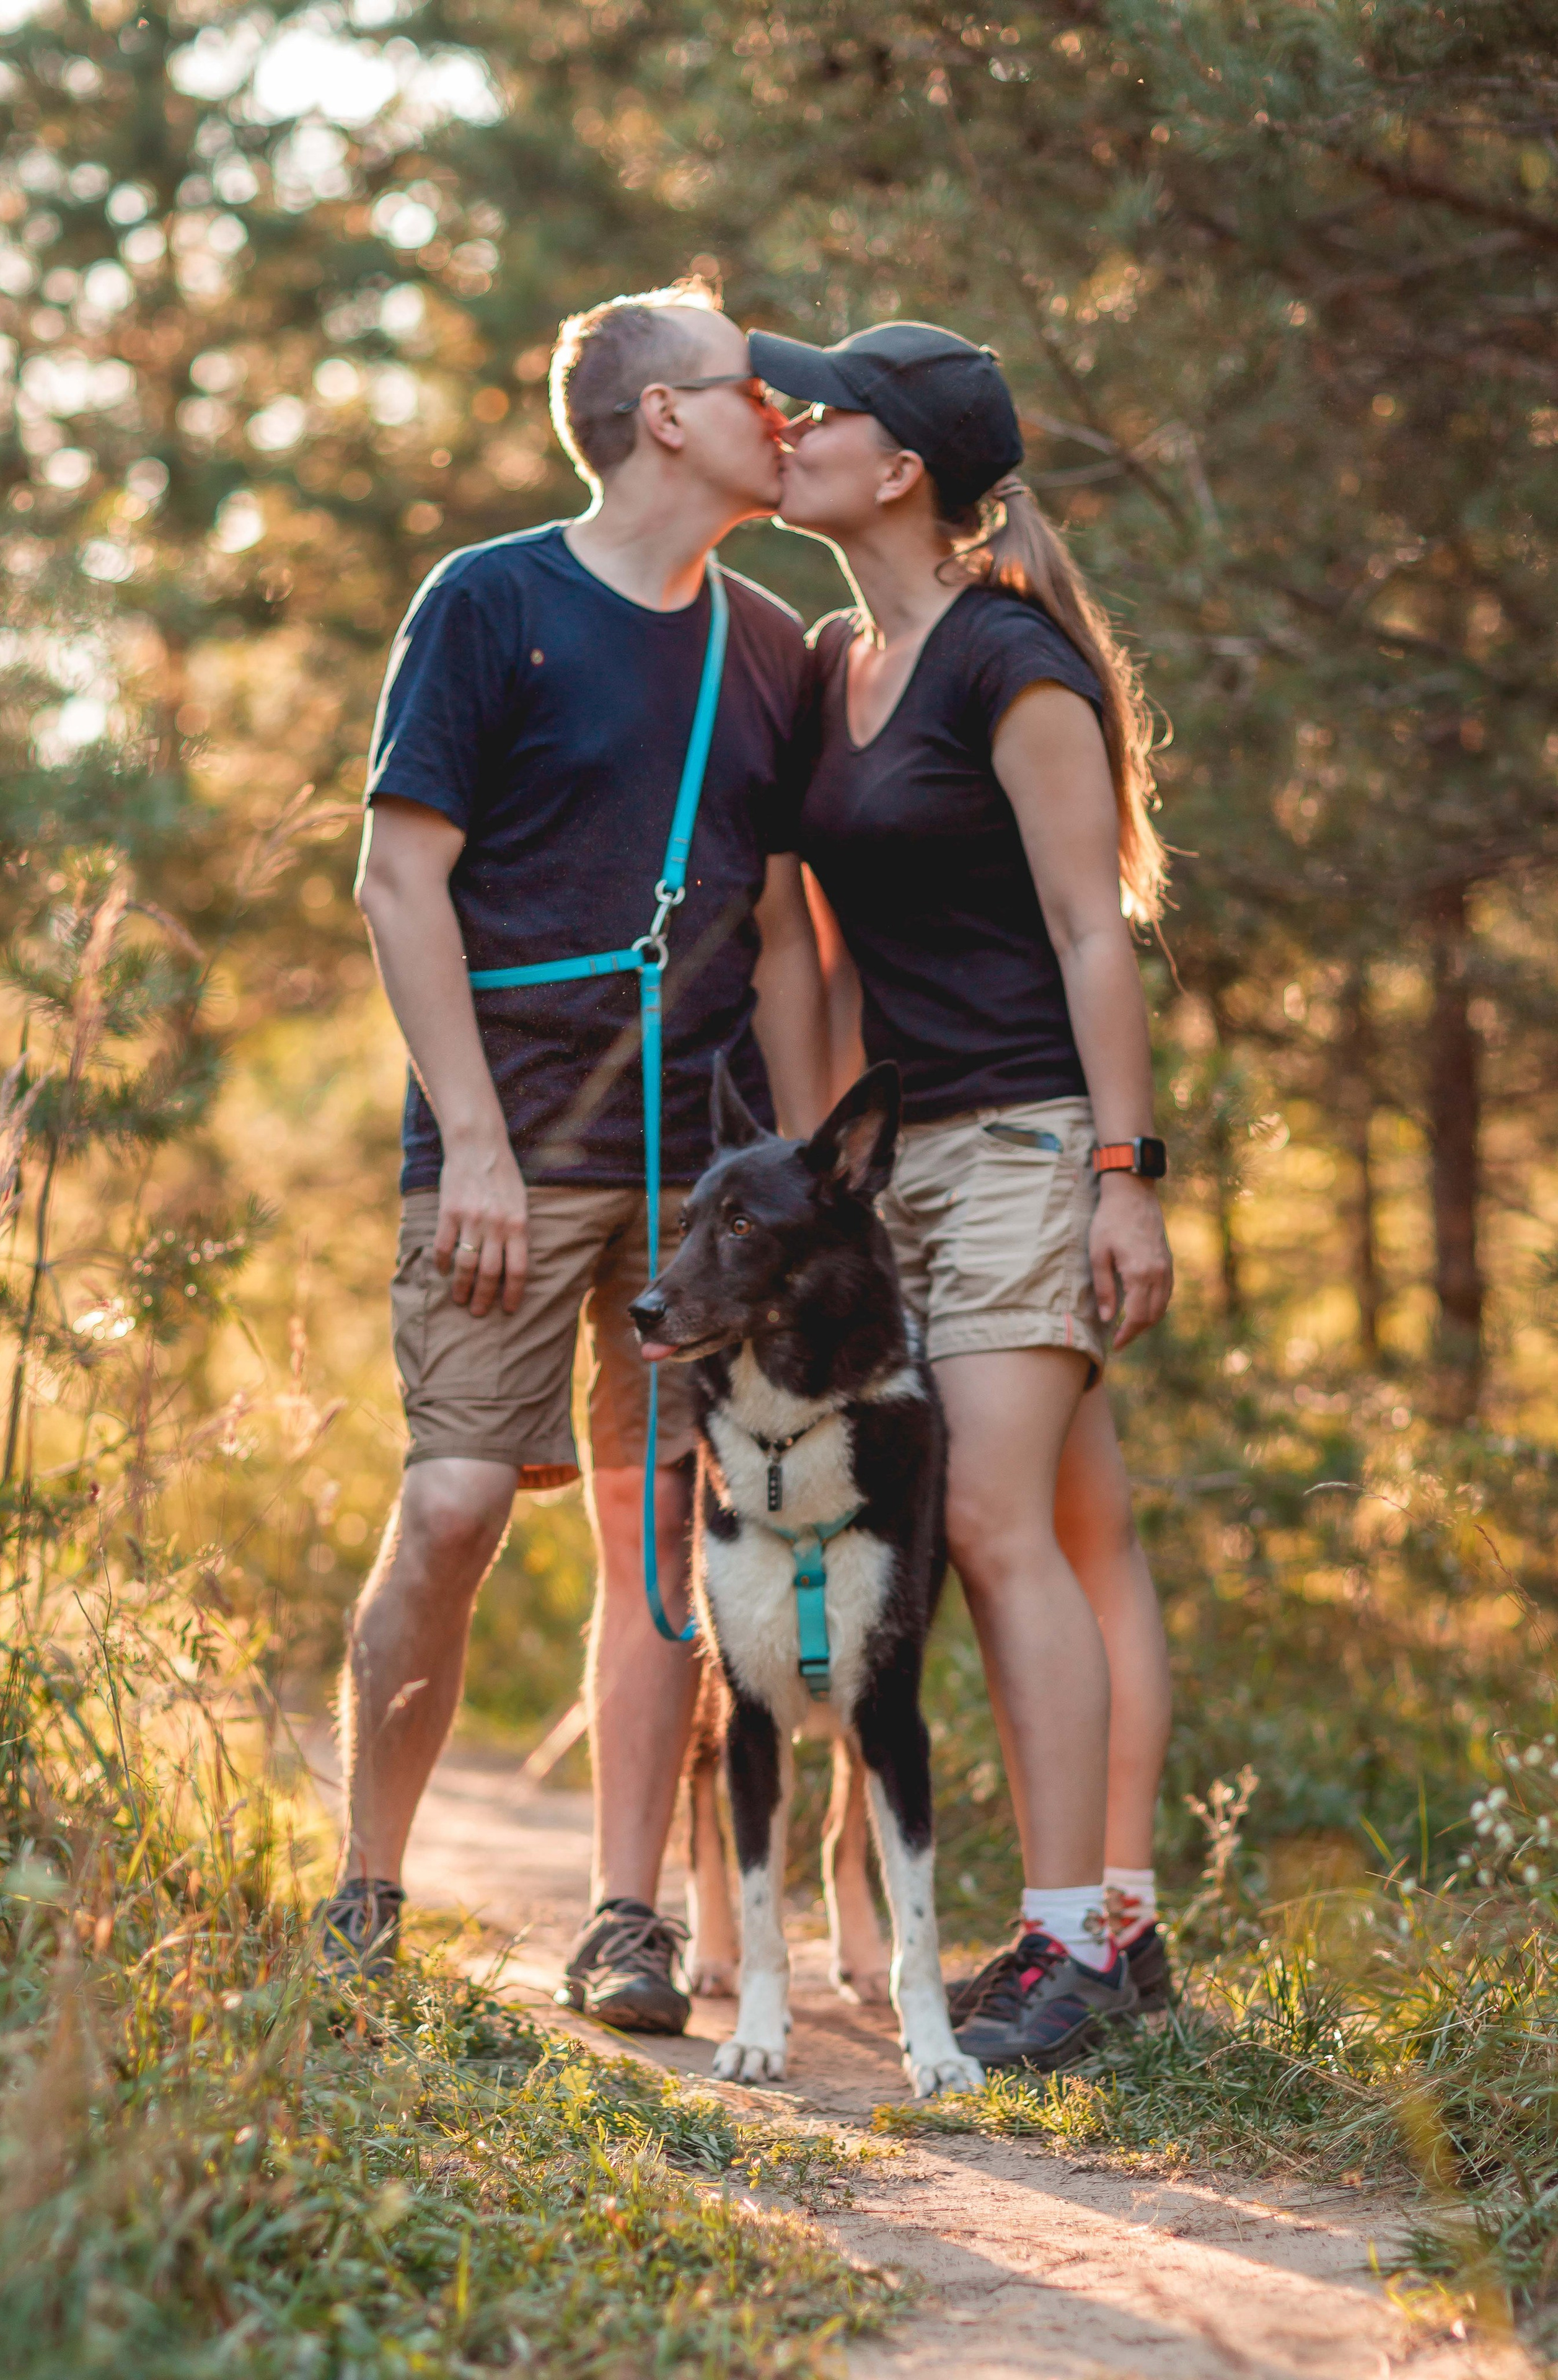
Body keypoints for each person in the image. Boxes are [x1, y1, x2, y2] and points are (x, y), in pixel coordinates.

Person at [324, 281, 829, 2033]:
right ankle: (368, 1892)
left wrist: (814, 1181)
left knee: (663, 1539)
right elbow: (401, 881)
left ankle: (628, 1925)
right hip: (509, 1141)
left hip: (706, 1170)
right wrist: (467, 1136)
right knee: (459, 1500)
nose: (786, 412)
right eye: (751, 388)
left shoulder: (771, 647)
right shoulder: (487, 602)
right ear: (663, 418)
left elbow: (778, 938)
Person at [753, 319, 1174, 2069]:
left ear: (900, 464)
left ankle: (1068, 1943)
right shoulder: (845, 655)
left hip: (1025, 1142)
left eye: (818, 408)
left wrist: (1124, 1175)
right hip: (907, 1160)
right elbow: (828, 954)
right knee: (1078, 1536)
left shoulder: (1014, 663)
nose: (786, 425)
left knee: (997, 1533)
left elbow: (1097, 930)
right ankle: (1118, 1937)